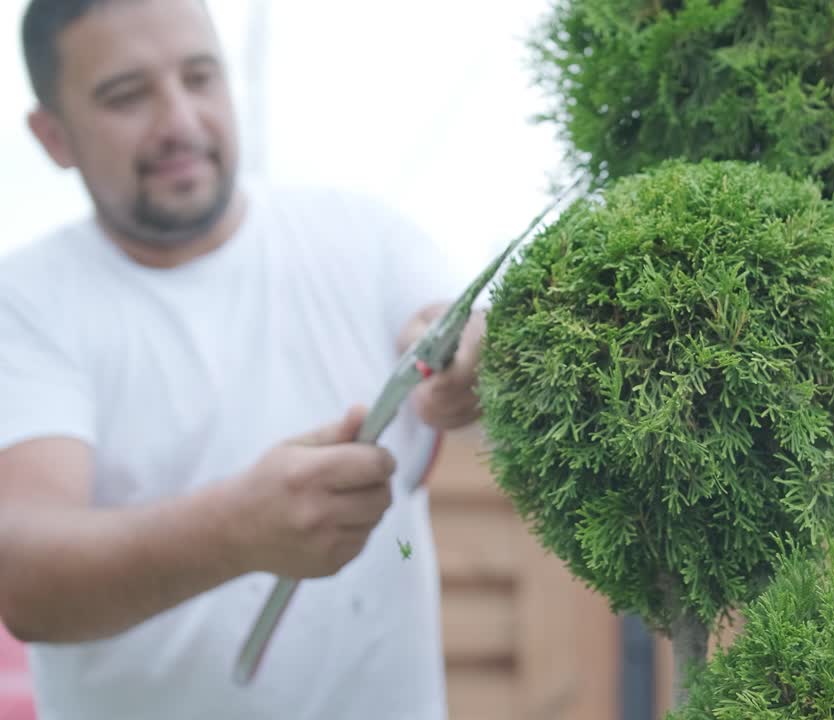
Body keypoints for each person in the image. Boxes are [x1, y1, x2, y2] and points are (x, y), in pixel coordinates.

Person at [0, 0, 485, 717]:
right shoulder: (27, 303)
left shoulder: (366, 239)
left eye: (199, 77)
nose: (180, 122)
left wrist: (474, 362)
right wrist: (235, 530)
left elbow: (465, 335)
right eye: (126, 96)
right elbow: (27, 581)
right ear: (53, 136)